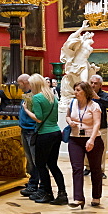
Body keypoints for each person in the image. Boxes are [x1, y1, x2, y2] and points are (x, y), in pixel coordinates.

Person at [23, 73, 66, 205]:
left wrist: (26, 110)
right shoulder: (52, 97)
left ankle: (47, 192)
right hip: (56, 132)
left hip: (44, 134)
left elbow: (39, 118)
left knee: (41, 165)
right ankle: (62, 193)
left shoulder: (37, 98)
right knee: (53, 165)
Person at [66, 81, 104, 209]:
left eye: (78, 90)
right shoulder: (72, 103)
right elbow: (67, 116)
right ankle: (78, 199)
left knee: (95, 169)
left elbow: (97, 123)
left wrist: (92, 140)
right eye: (75, 90)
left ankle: (96, 196)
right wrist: (70, 121)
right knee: (77, 168)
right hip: (75, 138)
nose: (75, 92)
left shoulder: (94, 106)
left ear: (85, 92)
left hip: (93, 139)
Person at [16, 74, 41, 198]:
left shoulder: (34, 96)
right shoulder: (26, 95)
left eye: (19, 83)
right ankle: (33, 182)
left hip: (31, 130)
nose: (18, 85)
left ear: (25, 82)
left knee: (34, 159)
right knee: (29, 159)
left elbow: (35, 114)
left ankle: (36, 184)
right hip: (25, 129)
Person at [89, 74, 108, 179]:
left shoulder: (104, 95)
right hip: (87, 126)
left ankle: (101, 170)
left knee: (101, 149)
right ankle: (87, 167)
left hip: (101, 126)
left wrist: (97, 98)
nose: (93, 85)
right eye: (91, 83)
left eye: (96, 83)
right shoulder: (84, 94)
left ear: (100, 85)